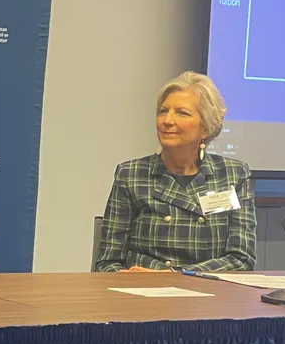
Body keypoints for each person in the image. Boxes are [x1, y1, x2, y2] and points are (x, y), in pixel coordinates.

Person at [93, 71, 256, 272]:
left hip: (209, 296)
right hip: (143, 294)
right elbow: (107, 263)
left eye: (182, 113)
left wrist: (175, 277)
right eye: (163, 111)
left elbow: (241, 259)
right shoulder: (131, 174)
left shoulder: (233, 175)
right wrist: (127, 280)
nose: (167, 120)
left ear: (206, 128)